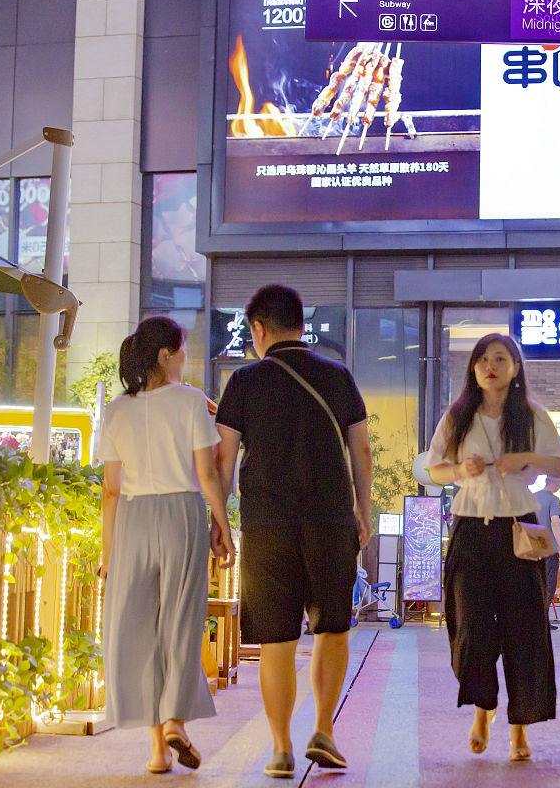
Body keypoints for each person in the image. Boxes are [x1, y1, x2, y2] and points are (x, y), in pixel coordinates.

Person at [215, 285, 373, 779]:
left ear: (258, 329)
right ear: (301, 325)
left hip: (267, 525)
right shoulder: (338, 376)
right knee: (332, 627)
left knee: (277, 639)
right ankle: (323, 729)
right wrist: (362, 509)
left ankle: (281, 747)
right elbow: (361, 451)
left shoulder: (243, 382)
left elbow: (224, 459)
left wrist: (219, 519)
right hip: (330, 520)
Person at [99, 317, 235, 774]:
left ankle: (157, 751)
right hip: (181, 514)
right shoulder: (191, 402)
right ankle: (174, 719)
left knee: (141, 632)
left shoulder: (117, 410)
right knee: (180, 622)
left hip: (133, 519)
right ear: (165, 355)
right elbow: (206, 473)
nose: (186, 359)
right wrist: (223, 525)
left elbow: (111, 490)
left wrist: (107, 554)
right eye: (182, 351)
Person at [426, 333, 560, 762]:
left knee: (525, 631)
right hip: (470, 529)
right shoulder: (458, 416)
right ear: (473, 369)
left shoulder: (532, 416)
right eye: (483, 359)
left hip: (519, 529)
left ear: (515, 367)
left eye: (500, 358)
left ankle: (519, 727)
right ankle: (482, 707)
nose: (490, 365)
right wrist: (457, 469)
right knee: (470, 627)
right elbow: (433, 470)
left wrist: (526, 458)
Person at [534, 477, 560, 629]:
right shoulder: (554, 499)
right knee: (549, 584)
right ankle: (542, 620)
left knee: (534, 583)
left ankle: (535, 619)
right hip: (550, 548)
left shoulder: (532, 497)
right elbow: (555, 522)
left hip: (532, 548)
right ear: (558, 483)